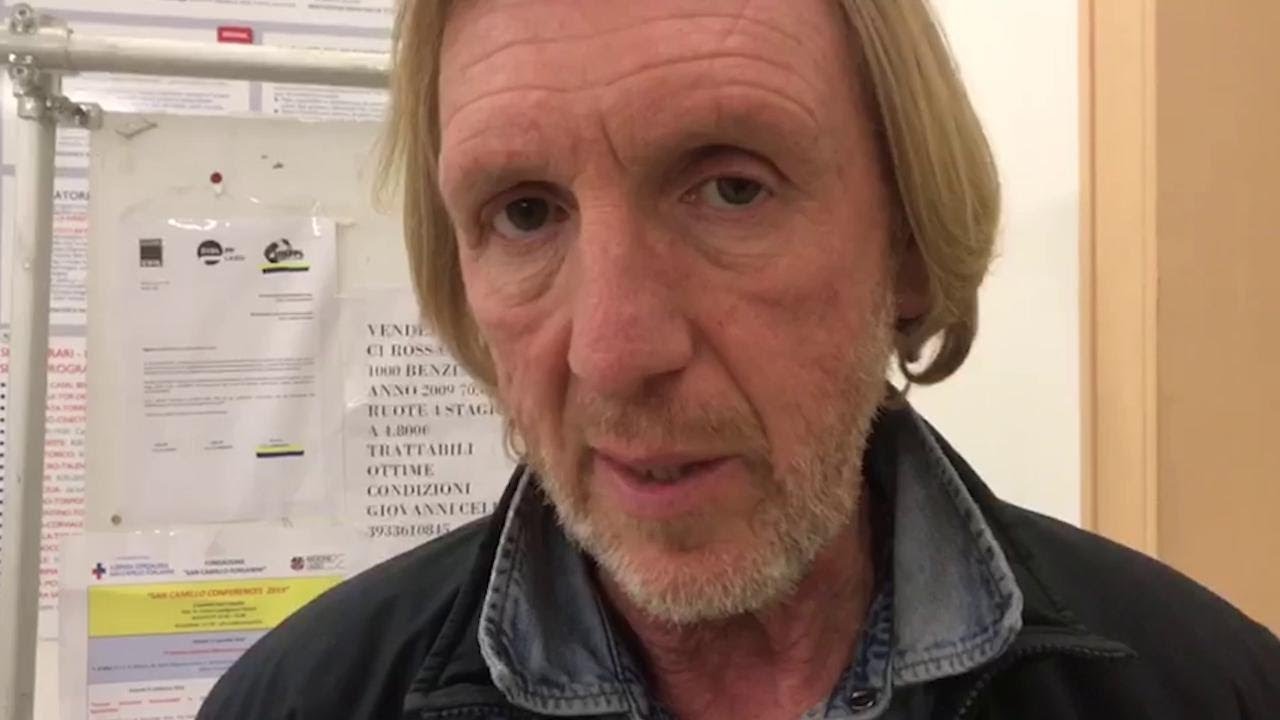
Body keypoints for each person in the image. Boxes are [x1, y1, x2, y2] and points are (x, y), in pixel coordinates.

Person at [197, 1, 1280, 718]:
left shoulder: (1204, 693)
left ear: (906, 242)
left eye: (730, 188)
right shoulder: (297, 703)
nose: (614, 352)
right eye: (525, 212)